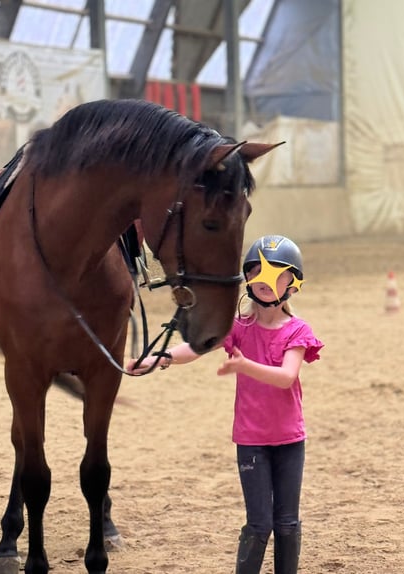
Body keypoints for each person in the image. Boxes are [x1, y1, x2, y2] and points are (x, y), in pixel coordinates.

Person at [127, 235, 324, 574]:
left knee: (287, 523)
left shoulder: (297, 331)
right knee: (259, 524)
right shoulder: (238, 327)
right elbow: (197, 346)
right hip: (251, 441)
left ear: (293, 284)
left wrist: (244, 366)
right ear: (247, 277)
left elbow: (287, 377)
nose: (266, 279)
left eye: (277, 273)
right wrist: (161, 358)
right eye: (258, 270)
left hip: (290, 441)